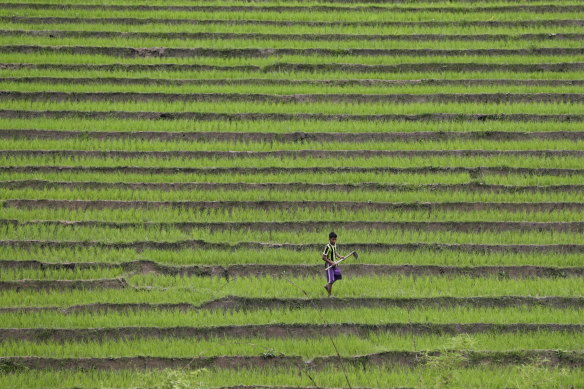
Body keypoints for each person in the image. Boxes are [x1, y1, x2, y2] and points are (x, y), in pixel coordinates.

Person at [322, 231, 345, 297]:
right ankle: (329, 295)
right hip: (329, 265)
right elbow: (323, 257)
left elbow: (335, 252)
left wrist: (340, 256)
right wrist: (331, 262)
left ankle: (327, 286)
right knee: (331, 280)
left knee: (338, 275)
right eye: (333, 239)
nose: (334, 241)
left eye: (335, 239)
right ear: (329, 239)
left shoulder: (334, 245)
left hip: (335, 264)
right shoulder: (327, 247)